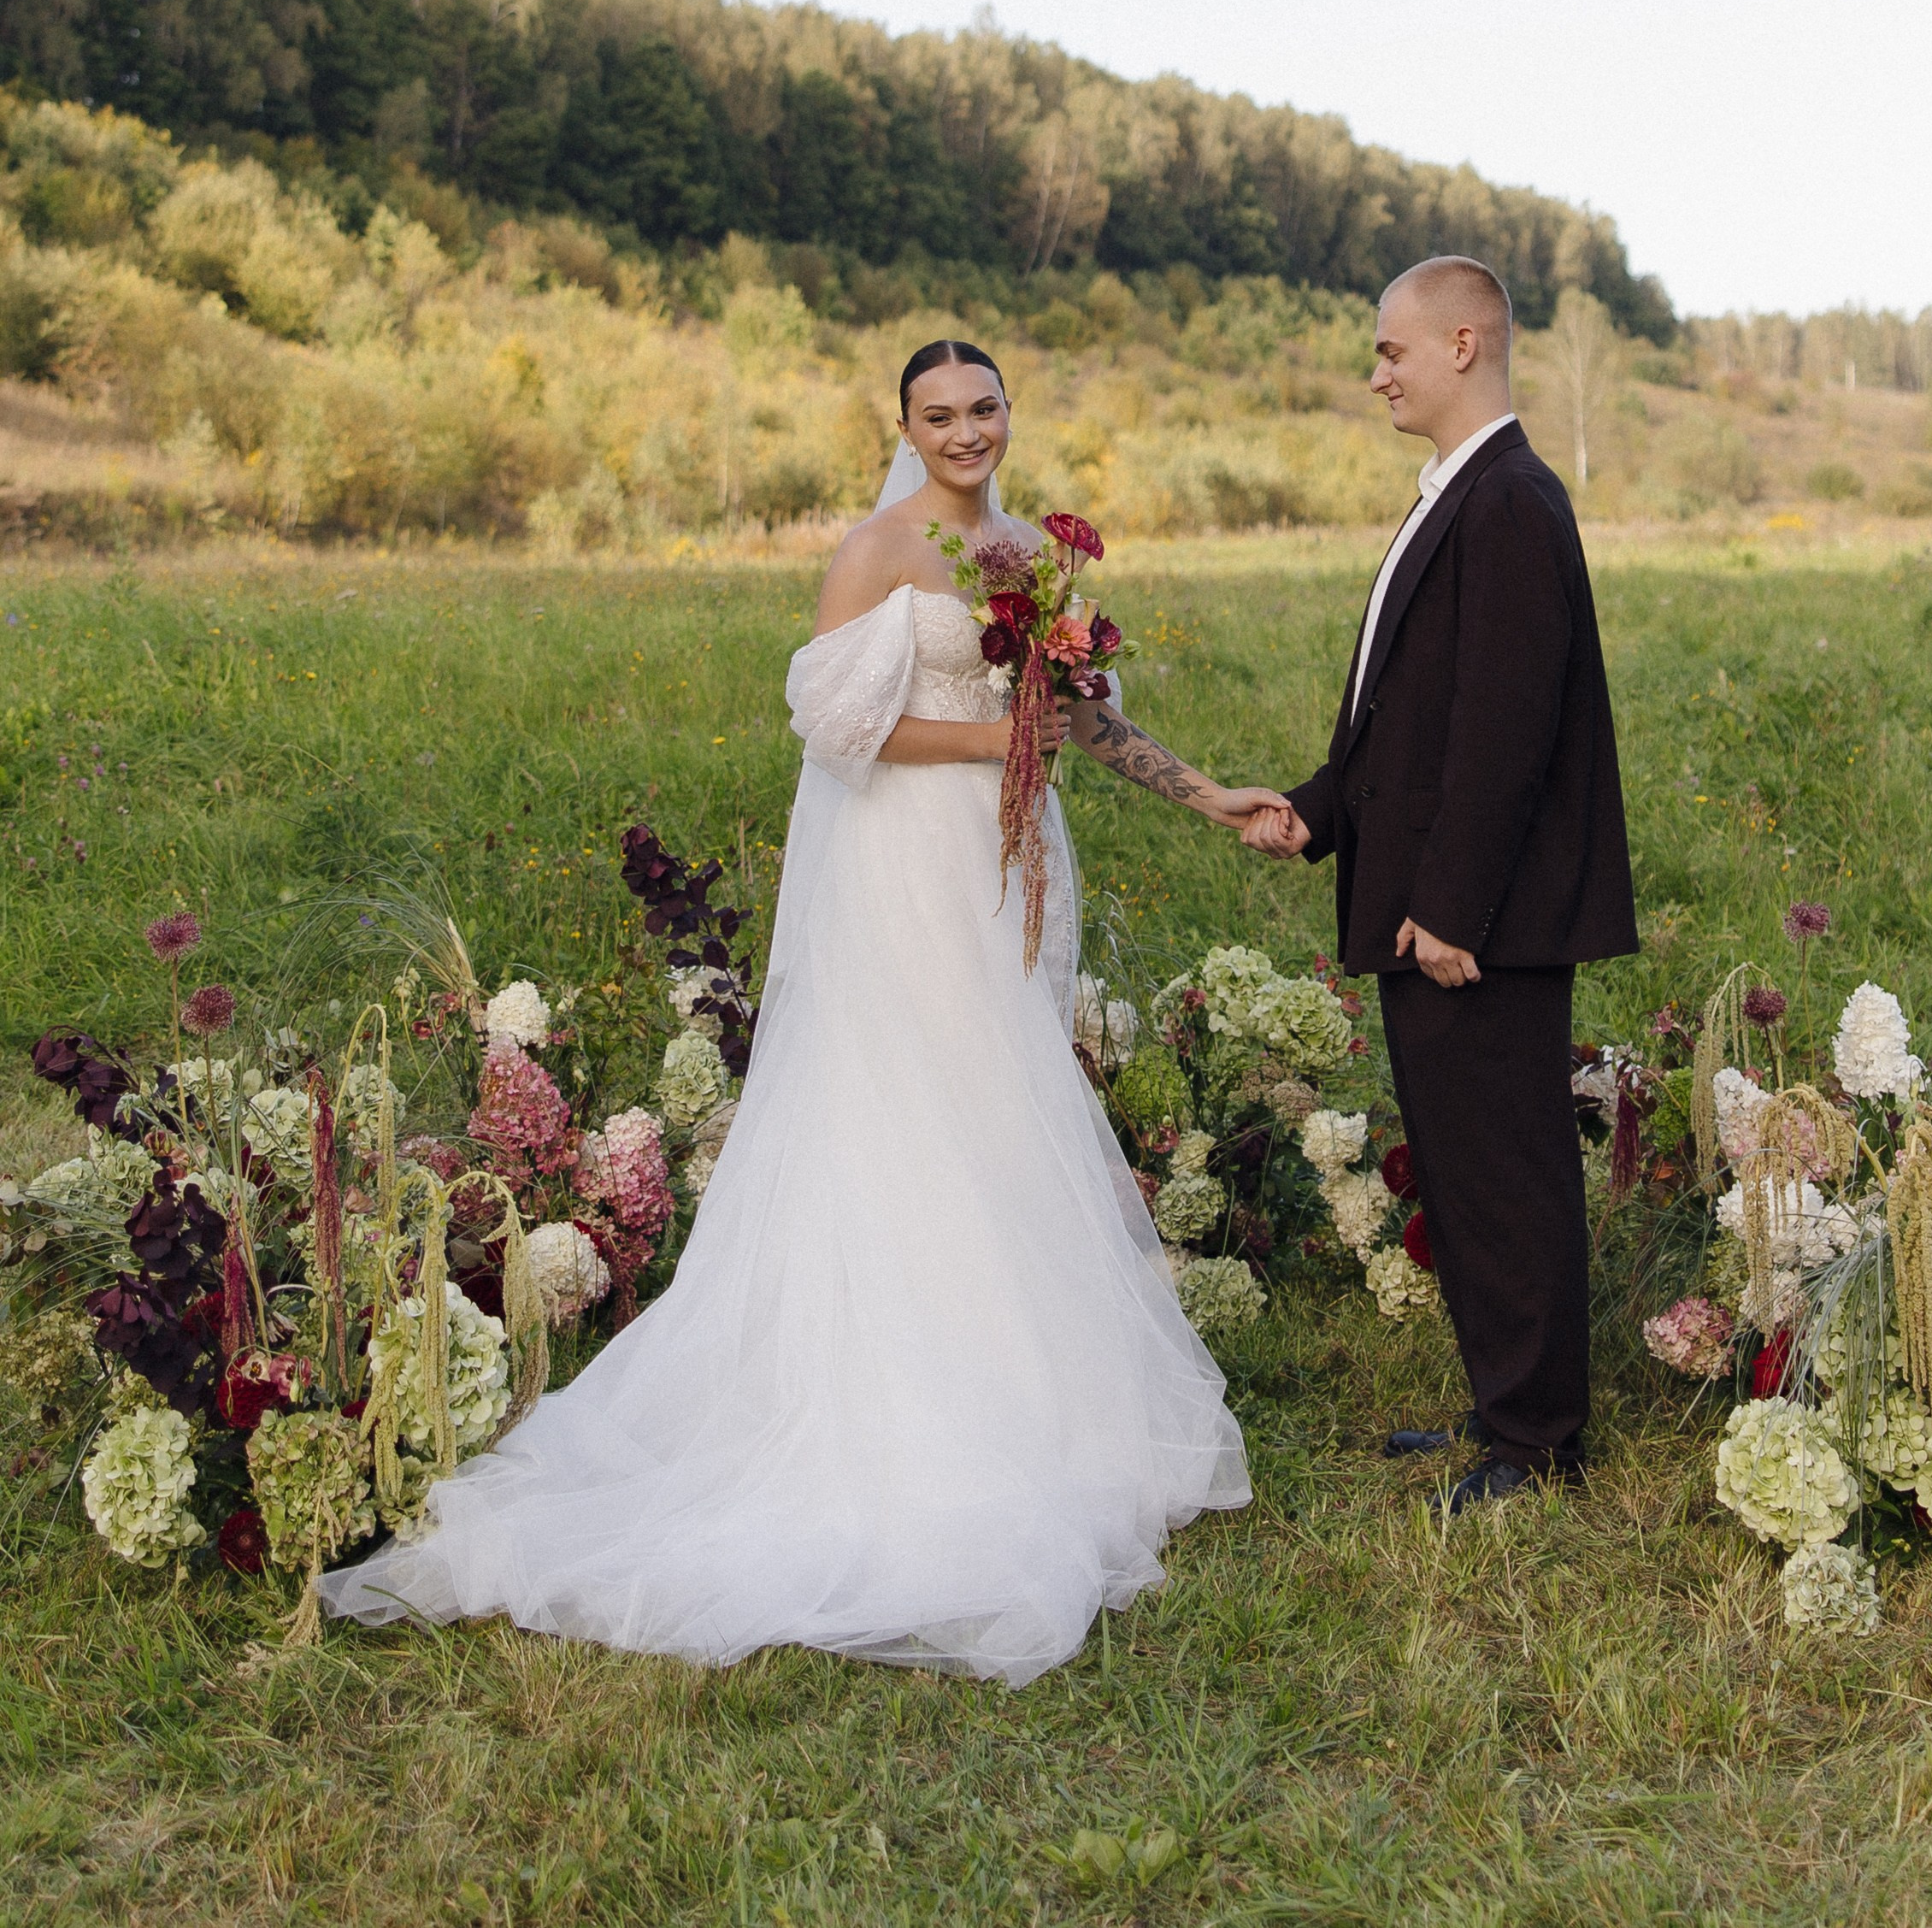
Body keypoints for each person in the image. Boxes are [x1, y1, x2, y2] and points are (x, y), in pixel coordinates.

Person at [321, 340, 1285, 1683]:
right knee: (917, 1108)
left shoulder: (1028, 557)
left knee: (1003, 1112)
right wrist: (1003, 739)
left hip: (1005, 863)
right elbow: (843, 728)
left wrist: (1212, 793)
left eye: (985, 408)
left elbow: (1081, 718)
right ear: (902, 423)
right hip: (906, 865)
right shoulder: (877, 550)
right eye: (939, 414)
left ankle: (1019, 1393)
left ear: (1011, 414)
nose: (966, 431)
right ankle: (893, 1410)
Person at [1241, 258, 1637, 1511]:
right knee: (1463, 1161)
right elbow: (1407, 717)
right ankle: (1500, 1399)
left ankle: (1539, 1440)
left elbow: (1506, 725)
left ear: (1463, 343)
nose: (1377, 372)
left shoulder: (1513, 498)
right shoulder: (1458, 495)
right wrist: (1312, 811)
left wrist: (1454, 905)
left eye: (1392, 350)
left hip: (1482, 921)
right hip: (1438, 900)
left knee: (1507, 1165)